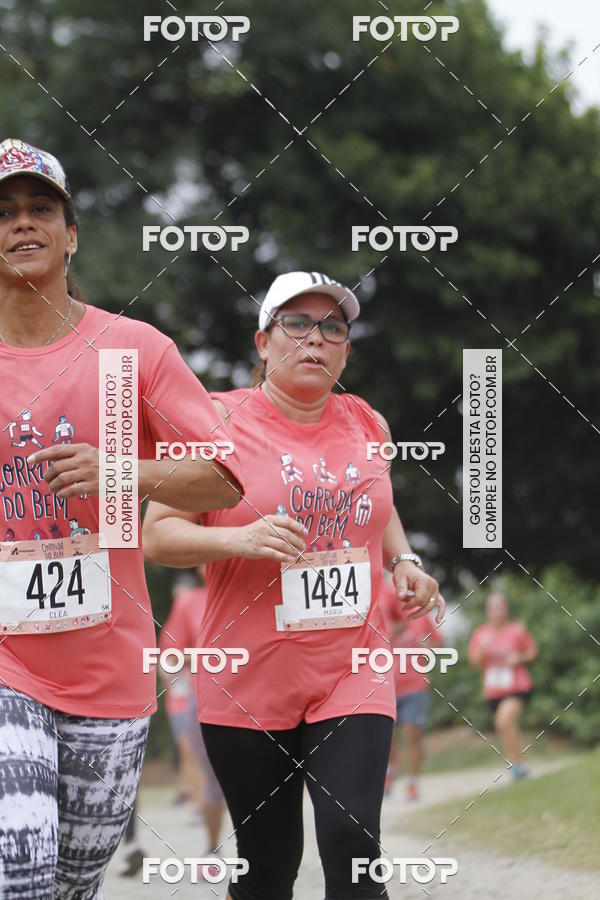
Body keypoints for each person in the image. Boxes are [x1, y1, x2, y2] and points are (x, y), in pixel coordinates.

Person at [142, 270, 446, 900]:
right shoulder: (216, 419)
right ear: (263, 341)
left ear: (346, 351)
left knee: (353, 841)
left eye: (333, 327)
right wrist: (237, 540)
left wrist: (404, 560)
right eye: (297, 323)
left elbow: (379, 507)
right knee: (268, 865)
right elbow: (157, 535)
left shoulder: (367, 423)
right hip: (247, 676)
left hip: (351, 668)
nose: (316, 338)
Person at [0, 138, 244, 898]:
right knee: (20, 869)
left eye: (41, 208)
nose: (22, 223)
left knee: (72, 884)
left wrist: (122, 472)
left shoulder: (130, 350)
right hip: (7, 662)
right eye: (3, 213)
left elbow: (225, 476)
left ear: (71, 233)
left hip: (111, 672)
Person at [158, 566, 227, 862]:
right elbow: (169, 655)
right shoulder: (190, 602)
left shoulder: (262, 590)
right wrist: (212, 652)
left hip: (261, 699)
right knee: (213, 778)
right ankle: (212, 848)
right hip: (206, 698)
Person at [380, 574, 444, 800]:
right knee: (387, 737)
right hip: (386, 686)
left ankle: (413, 780)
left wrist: (428, 648)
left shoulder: (419, 616)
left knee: (412, 733)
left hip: (415, 684)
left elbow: (438, 643)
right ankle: (391, 771)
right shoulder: (382, 617)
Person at [468, 592, 537, 780]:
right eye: (492, 607)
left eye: (499, 607)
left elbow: (532, 651)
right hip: (493, 688)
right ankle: (517, 763)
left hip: (518, 686)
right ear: (487, 611)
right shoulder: (481, 634)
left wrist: (519, 657)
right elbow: (474, 661)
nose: (496, 611)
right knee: (504, 725)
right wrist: (483, 649)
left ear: (506, 609)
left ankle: (518, 764)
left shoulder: (516, 630)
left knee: (504, 720)